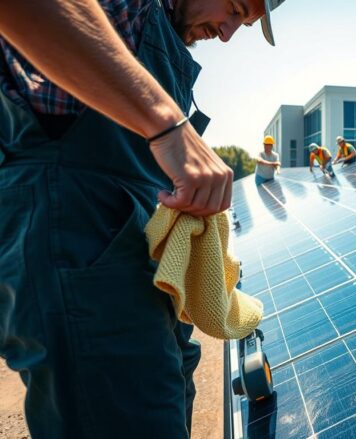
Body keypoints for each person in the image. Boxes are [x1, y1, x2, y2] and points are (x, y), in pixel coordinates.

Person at [0, 0, 286, 437]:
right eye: (233, 7)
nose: (227, 32)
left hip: (127, 260)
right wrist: (169, 125)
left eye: (241, 25)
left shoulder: (163, 34)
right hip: (74, 240)